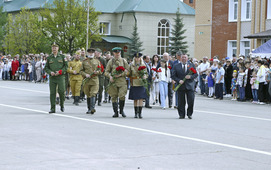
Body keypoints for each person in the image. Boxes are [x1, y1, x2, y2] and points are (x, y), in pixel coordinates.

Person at [105, 47, 129, 118]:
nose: (117, 54)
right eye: (116, 53)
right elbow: (106, 72)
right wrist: (110, 77)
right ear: (113, 53)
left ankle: (121, 110)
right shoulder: (111, 61)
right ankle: (115, 112)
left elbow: (127, 70)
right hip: (113, 82)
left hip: (122, 81)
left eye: (118, 53)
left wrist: (121, 74)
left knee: (122, 96)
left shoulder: (123, 61)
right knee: (114, 97)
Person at [172, 53, 198, 119]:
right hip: (181, 86)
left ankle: (189, 114)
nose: (184, 59)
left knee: (191, 100)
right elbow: (173, 76)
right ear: (180, 58)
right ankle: (181, 114)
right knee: (181, 101)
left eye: (185, 57)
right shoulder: (176, 66)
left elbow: (195, 74)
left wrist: (190, 77)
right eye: (182, 57)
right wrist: (178, 80)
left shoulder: (191, 65)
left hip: (190, 85)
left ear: (187, 58)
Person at [44, 42, 68, 114]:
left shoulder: (62, 57)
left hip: (60, 77)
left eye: (55, 47)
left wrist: (60, 71)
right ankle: (52, 108)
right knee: (52, 93)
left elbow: (66, 66)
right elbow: (46, 68)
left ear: (58, 48)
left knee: (61, 91)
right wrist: (50, 72)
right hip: (52, 77)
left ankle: (62, 105)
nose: (54, 48)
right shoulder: (49, 58)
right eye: (53, 47)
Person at [80, 48, 101, 114]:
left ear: (94, 53)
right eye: (89, 53)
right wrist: (85, 74)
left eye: (92, 53)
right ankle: (89, 108)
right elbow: (81, 71)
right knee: (88, 94)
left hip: (94, 80)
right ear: (87, 53)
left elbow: (101, 71)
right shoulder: (84, 61)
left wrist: (97, 72)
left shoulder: (97, 61)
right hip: (87, 81)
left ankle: (92, 108)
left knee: (93, 93)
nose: (91, 54)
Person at [128, 52, 148, 118]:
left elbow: (146, 73)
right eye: (136, 57)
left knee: (141, 98)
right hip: (134, 82)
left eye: (138, 57)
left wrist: (145, 76)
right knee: (135, 99)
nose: (137, 59)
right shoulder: (131, 65)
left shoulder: (143, 65)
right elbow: (129, 73)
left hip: (141, 82)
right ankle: (136, 113)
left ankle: (140, 113)